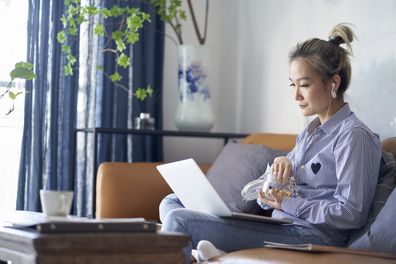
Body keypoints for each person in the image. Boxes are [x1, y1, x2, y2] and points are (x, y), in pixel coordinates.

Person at [159, 23, 382, 263]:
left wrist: (288, 203)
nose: (296, 95)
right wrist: (277, 168)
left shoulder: (354, 136)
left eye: (304, 85)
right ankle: (213, 249)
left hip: (312, 235)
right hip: (282, 224)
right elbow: (266, 193)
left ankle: (207, 249)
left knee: (178, 220)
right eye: (292, 84)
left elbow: (351, 213)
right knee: (171, 201)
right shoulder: (310, 133)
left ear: (333, 84)